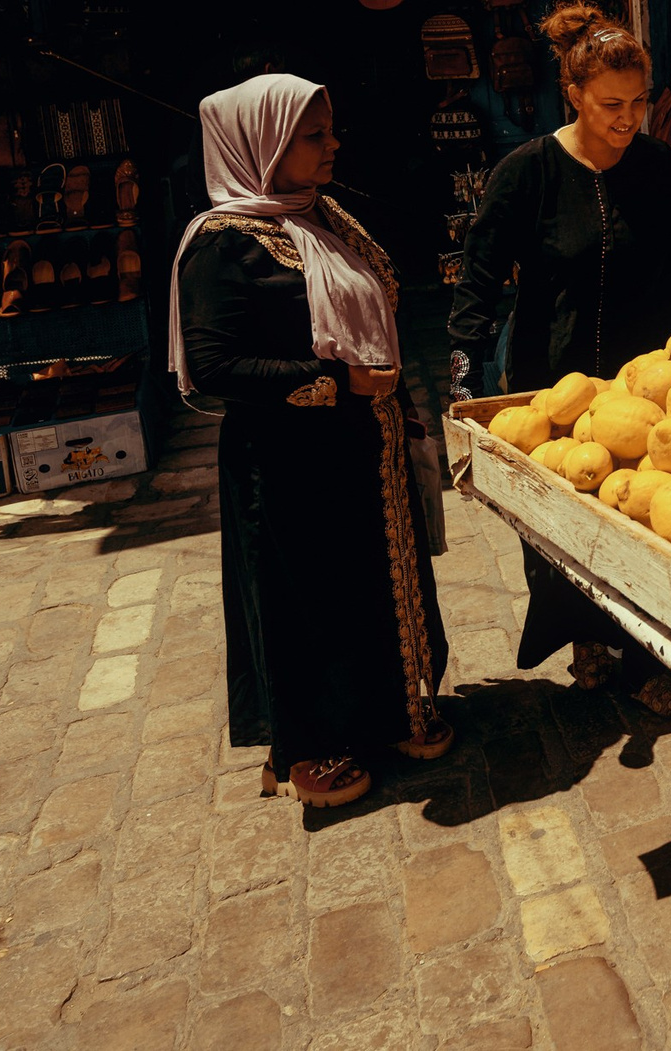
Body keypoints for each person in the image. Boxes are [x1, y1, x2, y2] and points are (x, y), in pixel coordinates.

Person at [172, 76, 448, 809]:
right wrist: (334, 380)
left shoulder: (319, 216)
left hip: (366, 447)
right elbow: (214, 365)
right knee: (308, 600)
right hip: (288, 461)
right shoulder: (222, 245)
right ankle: (310, 745)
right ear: (259, 145)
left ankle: (384, 717)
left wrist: (390, 398)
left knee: (370, 584)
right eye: (313, 135)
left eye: (330, 131)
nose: (333, 144)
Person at [448, 5, 671, 709]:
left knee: (644, 516)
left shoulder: (656, 165)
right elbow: (477, 285)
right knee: (559, 530)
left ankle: (654, 649)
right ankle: (586, 633)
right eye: (611, 104)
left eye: (639, 102)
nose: (628, 118)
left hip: (643, 383)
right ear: (575, 95)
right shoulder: (526, 173)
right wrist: (464, 382)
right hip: (545, 380)